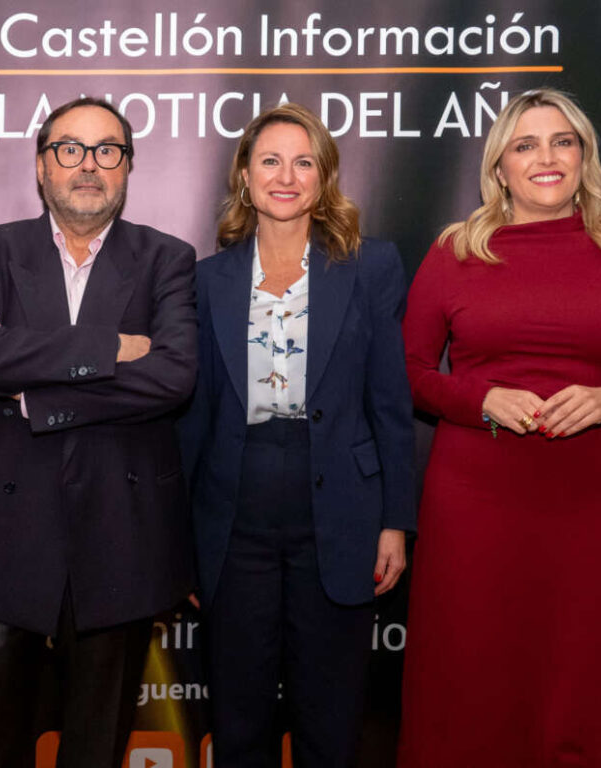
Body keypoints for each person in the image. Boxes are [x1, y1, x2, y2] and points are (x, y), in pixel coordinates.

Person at [397, 88, 601, 767]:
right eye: (524, 145)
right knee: (468, 682)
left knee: (584, 683)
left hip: (596, 515)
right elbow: (405, 373)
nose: (546, 158)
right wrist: (480, 399)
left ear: (584, 156)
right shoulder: (455, 251)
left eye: (563, 141)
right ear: (500, 168)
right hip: (476, 507)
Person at [0, 96, 197, 768]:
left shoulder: (167, 258)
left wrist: (39, 396)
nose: (88, 165)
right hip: (2, 527)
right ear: (41, 165)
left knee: (97, 744)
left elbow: (172, 377)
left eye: (107, 150)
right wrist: (112, 348)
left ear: (127, 167)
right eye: (70, 149)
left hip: (120, 530)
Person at [178, 103, 415, 767]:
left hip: (341, 511)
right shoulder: (206, 280)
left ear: (324, 176)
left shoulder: (371, 267)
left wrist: (395, 521)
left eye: (303, 161)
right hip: (233, 514)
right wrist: (181, 538)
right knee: (238, 719)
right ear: (244, 176)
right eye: (270, 161)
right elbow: (192, 420)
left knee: (330, 720)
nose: (286, 176)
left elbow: (390, 404)